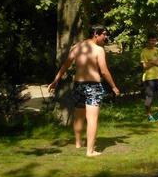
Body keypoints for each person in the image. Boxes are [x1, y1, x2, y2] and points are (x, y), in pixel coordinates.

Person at [48, 25, 120, 157]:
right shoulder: (99, 50)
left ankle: (78, 143)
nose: (106, 37)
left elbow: (66, 64)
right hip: (93, 86)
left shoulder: (77, 47)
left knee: (78, 116)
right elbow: (104, 71)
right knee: (92, 118)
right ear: (96, 34)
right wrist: (114, 87)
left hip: (78, 85)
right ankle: (90, 151)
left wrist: (55, 80)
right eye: (104, 34)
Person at [140, 33, 158, 122]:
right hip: (148, 78)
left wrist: (150, 62)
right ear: (148, 41)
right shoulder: (144, 52)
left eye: (154, 40)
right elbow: (144, 66)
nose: (153, 42)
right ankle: (149, 115)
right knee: (149, 98)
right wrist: (155, 61)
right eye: (151, 40)